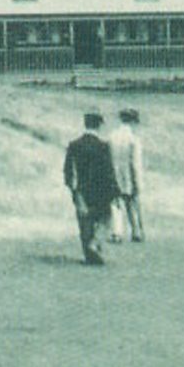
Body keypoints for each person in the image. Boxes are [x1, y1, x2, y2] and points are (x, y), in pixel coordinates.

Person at [63, 112, 119, 265]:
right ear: (99, 125)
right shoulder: (103, 146)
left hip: (81, 190)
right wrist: (115, 192)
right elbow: (109, 171)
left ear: (85, 124)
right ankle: (95, 244)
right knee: (105, 219)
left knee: (85, 224)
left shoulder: (74, 145)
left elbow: (68, 171)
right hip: (100, 190)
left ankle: (89, 256)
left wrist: (74, 191)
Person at [109, 108, 145, 242]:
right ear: (133, 122)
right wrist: (138, 182)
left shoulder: (112, 136)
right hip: (128, 175)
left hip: (114, 174)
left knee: (116, 203)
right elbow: (136, 163)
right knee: (132, 203)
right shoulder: (134, 139)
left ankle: (117, 233)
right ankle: (136, 231)